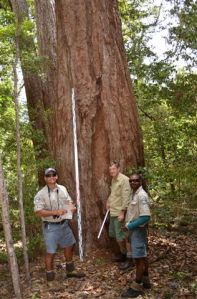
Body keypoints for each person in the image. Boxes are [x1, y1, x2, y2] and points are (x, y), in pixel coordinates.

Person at [34, 167, 85, 282]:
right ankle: (50, 279)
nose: (51, 177)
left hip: (64, 224)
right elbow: (38, 212)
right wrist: (55, 212)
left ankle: (70, 271)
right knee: (51, 252)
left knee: (69, 245)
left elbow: (68, 202)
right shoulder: (41, 194)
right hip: (50, 227)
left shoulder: (62, 189)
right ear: (45, 178)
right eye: (48, 175)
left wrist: (71, 207)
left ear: (56, 176)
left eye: (53, 175)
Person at [121, 173, 151, 298]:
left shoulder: (142, 195)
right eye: (131, 181)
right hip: (134, 231)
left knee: (138, 259)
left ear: (140, 181)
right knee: (142, 257)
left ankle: (136, 286)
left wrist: (129, 226)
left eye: (136, 181)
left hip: (139, 230)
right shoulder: (134, 194)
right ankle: (146, 280)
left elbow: (145, 217)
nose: (133, 183)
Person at [106, 161, 131, 262]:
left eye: (114, 169)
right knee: (115, 235)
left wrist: (122, 212)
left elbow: (126, 197)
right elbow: (113, 193)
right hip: (112, 211)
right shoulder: (113, 179)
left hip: (119, 213)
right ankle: (122, 254)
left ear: (118, 169)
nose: (112, 171)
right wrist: (108, 201)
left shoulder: (124, 180)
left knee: (122, 236)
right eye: (110, 169)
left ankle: (128, 257)